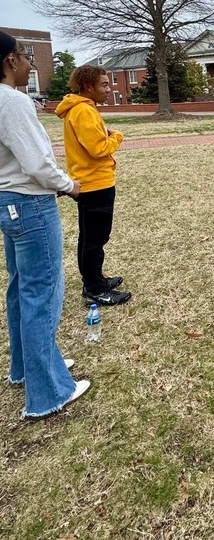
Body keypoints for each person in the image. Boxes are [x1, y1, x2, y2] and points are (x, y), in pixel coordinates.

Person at [0, 31, 90, 418]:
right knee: (43, 291)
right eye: (23, 55)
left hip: (7, 203)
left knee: (21, 287)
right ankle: (48, 392)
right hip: (31, 204)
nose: (28, 63)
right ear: (8, 61)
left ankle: (26, 368)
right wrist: (68, 185)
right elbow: (37, 162)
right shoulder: (13, 102)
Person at [55, 66, 132, 306]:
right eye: (104, 85)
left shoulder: (79, 109)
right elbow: (98, 148)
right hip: (95, 184)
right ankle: (94, 288)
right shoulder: (83, 111)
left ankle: (94, 278)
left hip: (89, 182)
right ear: (89, 87)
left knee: (90, 236)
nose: (108, 90)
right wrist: (116, 136)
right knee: (95, 238)